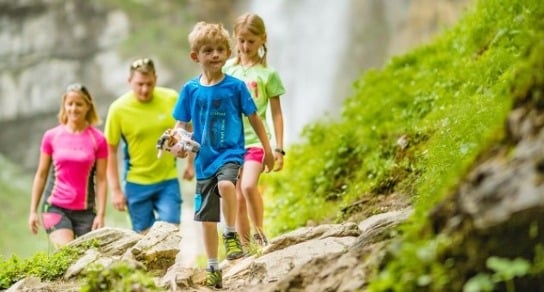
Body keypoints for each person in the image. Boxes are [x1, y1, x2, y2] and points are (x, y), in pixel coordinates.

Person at [172, 21, 274, 289]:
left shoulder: (236, 86)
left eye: (220, 49)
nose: (215, 55)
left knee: (227, 184)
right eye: (208, 50)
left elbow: (254, 118)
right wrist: (176, 141)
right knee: (206, 219)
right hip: (204, 159)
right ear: (196, 56)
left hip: (231, 152)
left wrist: (267, 149)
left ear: (228, 53)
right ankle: (214, 267)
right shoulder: (190, 90)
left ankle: (230, 232)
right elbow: (180, 125)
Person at [104, 58, 194, 234]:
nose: (144, 89)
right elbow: (110, 151)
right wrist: (115, 191)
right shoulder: (118, 109)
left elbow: (187, 130)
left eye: (149, 84)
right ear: (129, 81)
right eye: (139, 84)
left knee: (170, 233)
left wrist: (190, 164)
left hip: (167, 180)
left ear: (156, 79)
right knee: (144, 239)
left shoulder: (171, 98)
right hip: (136, 183)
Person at [223, 12, 287, 247]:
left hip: (258, 142)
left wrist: (278, 148)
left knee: (249, 186)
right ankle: (245, 245)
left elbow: (277, 113)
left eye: (251, 41)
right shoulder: (227, 69)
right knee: (237, 196)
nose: (245, 46)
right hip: (232, 143)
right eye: (241, 40)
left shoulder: (268, 74)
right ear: (234, 39)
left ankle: (260, 234)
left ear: (263, 39)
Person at [28, 83, 108, 248]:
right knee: (67, 252)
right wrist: (33, 211)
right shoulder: (51, 136)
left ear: (88, 106)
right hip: (55, 208)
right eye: (70, 104)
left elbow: (101, 179)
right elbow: (41, 174)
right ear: (64, 105)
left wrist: (100, 214)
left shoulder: (98, 139)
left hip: (86, 212)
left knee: (90, 258)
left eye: (79, 104)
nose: (74, 108)